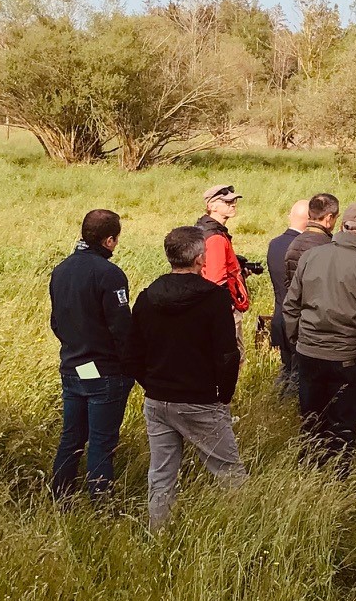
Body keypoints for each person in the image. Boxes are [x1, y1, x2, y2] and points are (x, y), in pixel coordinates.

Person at [129, 226, 247, 528]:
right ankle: (242, 532)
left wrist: (152, 384)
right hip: (201, 399)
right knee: (229, 473)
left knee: (161, 474)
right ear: (199, 258)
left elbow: (131, 354)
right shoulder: (215, 299)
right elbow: (227, 354)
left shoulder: (146, 297)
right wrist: (224, 396)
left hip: (157, 401)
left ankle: (159, 534)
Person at [279, 201, 356, 475]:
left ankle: (308, 477)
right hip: (348, 359)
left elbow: (290, 306)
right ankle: (336, 482)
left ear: (342, 225)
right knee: (342, 428)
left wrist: (298, 342)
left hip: (309, 355)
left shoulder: (312, 256)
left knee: (311, 421)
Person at [47, 208, 134, 505]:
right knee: (101, 441)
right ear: (110, 240)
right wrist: (128, 365)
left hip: (73, 368)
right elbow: (122, 327)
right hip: (106, 372)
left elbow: (56, 322)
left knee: (71, 438)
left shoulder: (60, 270)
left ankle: (60, 498)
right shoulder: (110, 274)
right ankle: (100, 503)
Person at [267, 194, 337, 395]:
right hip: (302, 322)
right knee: (300, 377)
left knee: (286, 369)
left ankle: (276, 408)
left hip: (280, 316)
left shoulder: (275, 244)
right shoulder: (315, 246)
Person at [195, 184, 254, 352]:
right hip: (223, 310)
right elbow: (216, 280)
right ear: (211, 206)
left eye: (234, 201)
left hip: (205, 307)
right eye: (227, 202)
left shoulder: (202, 228)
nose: (233, 204)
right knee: (232, 357)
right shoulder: (216, 238)